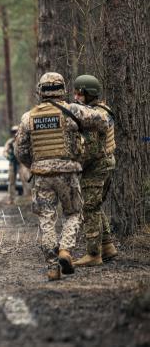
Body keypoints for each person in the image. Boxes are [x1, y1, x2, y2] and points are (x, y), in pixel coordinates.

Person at [14, 72, 108, 281]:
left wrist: (36, 165)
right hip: (68, 173)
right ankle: (65, 250)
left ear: (40, 91)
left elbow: (20, 151)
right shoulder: (73, 111)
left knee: (46, 219)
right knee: (73, 213)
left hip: (42, 176)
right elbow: (102, 121)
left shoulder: (28, 117)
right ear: (62, 89)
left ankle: (52, 267)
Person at [71, 75, 118, 266]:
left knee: (89, 208)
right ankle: (107, 246)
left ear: (89, 94)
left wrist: (76, 165)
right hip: (106, 163)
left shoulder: (94, 116)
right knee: (95, 206)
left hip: (96, 166)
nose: (76, 97)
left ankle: (93, 254)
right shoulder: (103, 110)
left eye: (79, 93)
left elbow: (91, 149)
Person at [3, 125, 19, 204]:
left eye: (16, 131)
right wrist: (9, 157)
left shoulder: (22, 140)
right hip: (13, 163)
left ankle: (27, 197)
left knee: (26, 181)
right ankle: (11, 199)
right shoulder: (10, 142)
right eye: (13, 132)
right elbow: (4, 152)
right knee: (11, 182)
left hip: (22, 164)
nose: (15, 133)